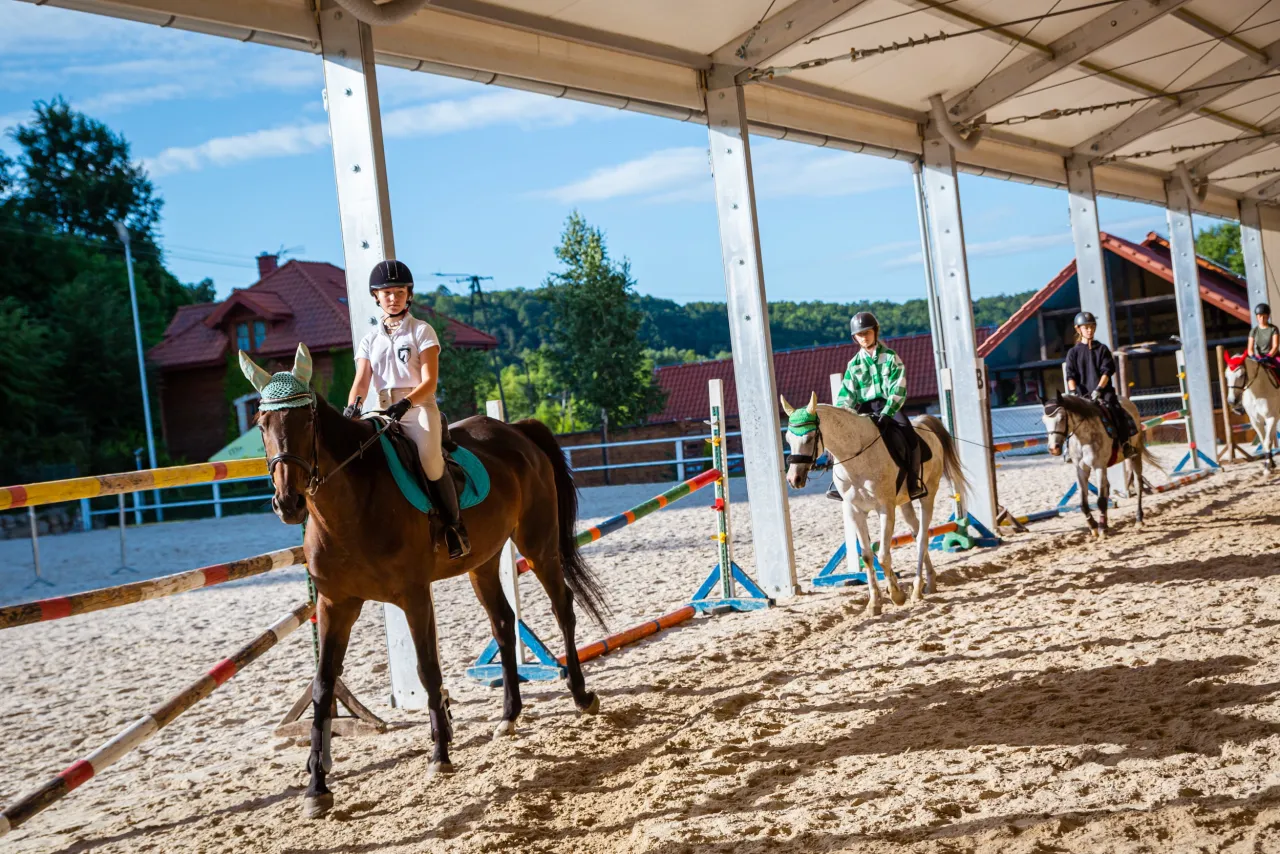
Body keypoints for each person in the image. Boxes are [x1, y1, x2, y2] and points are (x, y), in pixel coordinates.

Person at [345, 260, 470, 560]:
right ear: (376, 296)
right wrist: (353, 407)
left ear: (408, 295)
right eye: (386, 292)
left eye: (399, 291)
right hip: (382, 409)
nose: (393, 298)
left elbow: (430, 381)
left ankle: (455, 528)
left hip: (418, 407)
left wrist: (408, 402)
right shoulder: (369, 340)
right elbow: (362, 381)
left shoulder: (422, 331)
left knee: (430, 461)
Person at [826, 311, 926, 501]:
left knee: (910, 436)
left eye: (867, 332)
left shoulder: (891, 357)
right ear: (854, 338)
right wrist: (843, 417)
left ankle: (914, 483)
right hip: (864, 408)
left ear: (875, 332)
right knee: (844, 440)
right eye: (860, 334)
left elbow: (899, 388)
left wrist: (888, 412)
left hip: (890, 406)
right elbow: (846, 395)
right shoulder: (853, 364)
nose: (864, 337)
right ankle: (838, 484)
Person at [1063, 311, 1135, 458]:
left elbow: (1107, 372)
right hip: (1082, 394)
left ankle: (1125, 444)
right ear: (1078, 329)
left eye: (1091, 327)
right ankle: (1067, 448)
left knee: (1116, 410)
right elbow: (1070, 375)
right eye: (1086, 327)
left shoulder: (1102, 349)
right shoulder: (1073, 352)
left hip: (1102, 391)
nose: (1089, 330)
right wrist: (1072, 393)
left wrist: (1099, 389)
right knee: (1067, 415)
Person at [1247, 302, 1280, 370]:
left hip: (1272, 357)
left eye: (1264, 316)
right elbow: (1250, 349)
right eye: (1260, 316)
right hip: (1258, 358)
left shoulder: (1273, 329)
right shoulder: (1253, 331)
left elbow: (1275, 346)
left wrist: (1268, 357)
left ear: (1268, 316)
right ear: (1256, 317)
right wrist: (1253, 357)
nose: (1262, 318)